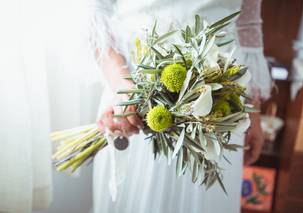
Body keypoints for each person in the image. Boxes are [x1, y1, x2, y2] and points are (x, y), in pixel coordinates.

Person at [90, 0, 272, 212]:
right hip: (132, 93)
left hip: (218, 102)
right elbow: (95, 10)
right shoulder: (126, 90)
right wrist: (122, 85)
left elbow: (247, 24)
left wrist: (254, 110)